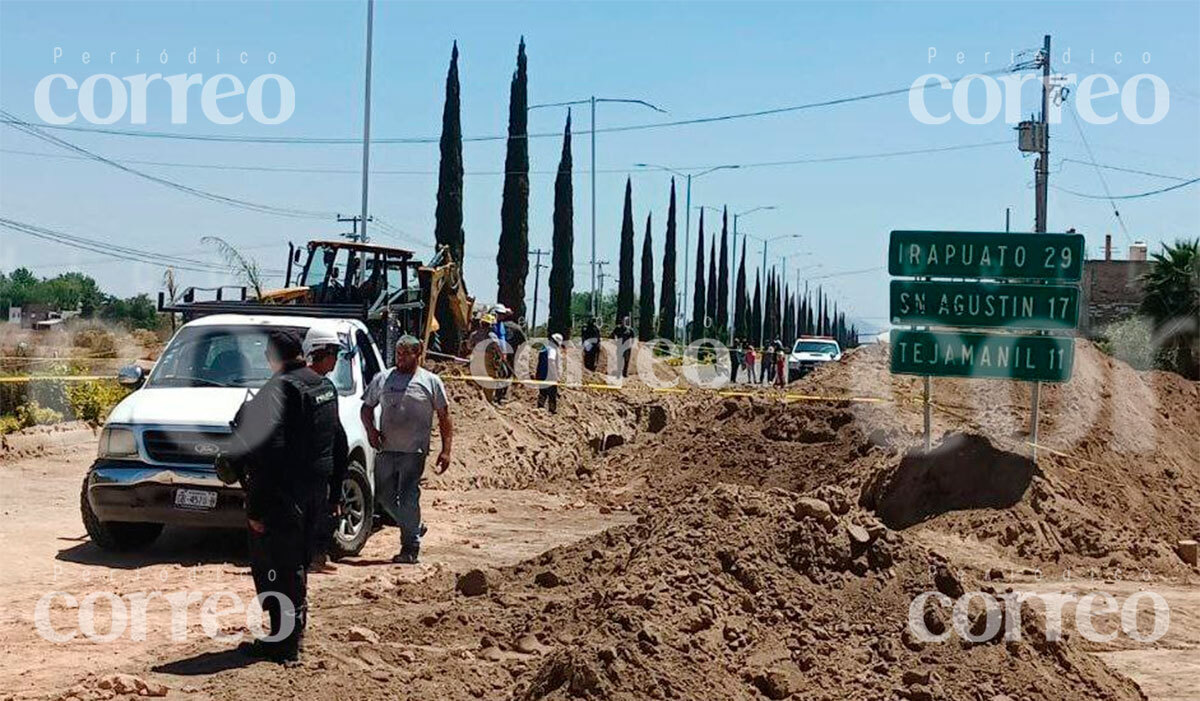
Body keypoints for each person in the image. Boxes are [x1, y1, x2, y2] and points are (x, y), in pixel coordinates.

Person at [224, 329, 340, 664]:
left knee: (276, 569)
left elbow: (266, 456)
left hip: (283, 497)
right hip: (315, 494)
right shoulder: (323, 386)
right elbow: (338, 441)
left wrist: (257, 509)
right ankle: (289, 636)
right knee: (297, 565)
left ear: (271, 358)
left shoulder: (278, 390)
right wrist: (333, 494)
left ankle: (285, 644)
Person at [360, 335, 453, 564]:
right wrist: (371, 431)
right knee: (383, 496)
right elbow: (366, 408)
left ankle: (410, 547)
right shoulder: (383, 379)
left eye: (405, 354)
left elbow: (444, 417)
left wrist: (446, 450)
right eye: (398, 353)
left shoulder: (430, 381)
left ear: (417, 354)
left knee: (408, 497)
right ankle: (414, 526)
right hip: (386, 448)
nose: (400, 358)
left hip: (414, 451)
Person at [302, 327, 350, 575]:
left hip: (324, 468)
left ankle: (318, 556)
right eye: (334, 354)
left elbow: (335, 430)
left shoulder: (327, 387)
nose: (336, 360)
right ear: (321, 353)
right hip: (303, 470)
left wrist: (338, 468)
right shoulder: (298, 387)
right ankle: (305, 559)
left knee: (326, 513)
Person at [536, 333, 564, 414]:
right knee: (552, 394)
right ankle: (552, 411)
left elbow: (539, 362)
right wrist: (555, 376)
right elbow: (551, 361)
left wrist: (537, 374)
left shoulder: (544, 348)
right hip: (550, 376)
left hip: (542, 375)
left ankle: (540, 408)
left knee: (542, 392)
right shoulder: (552, 350)